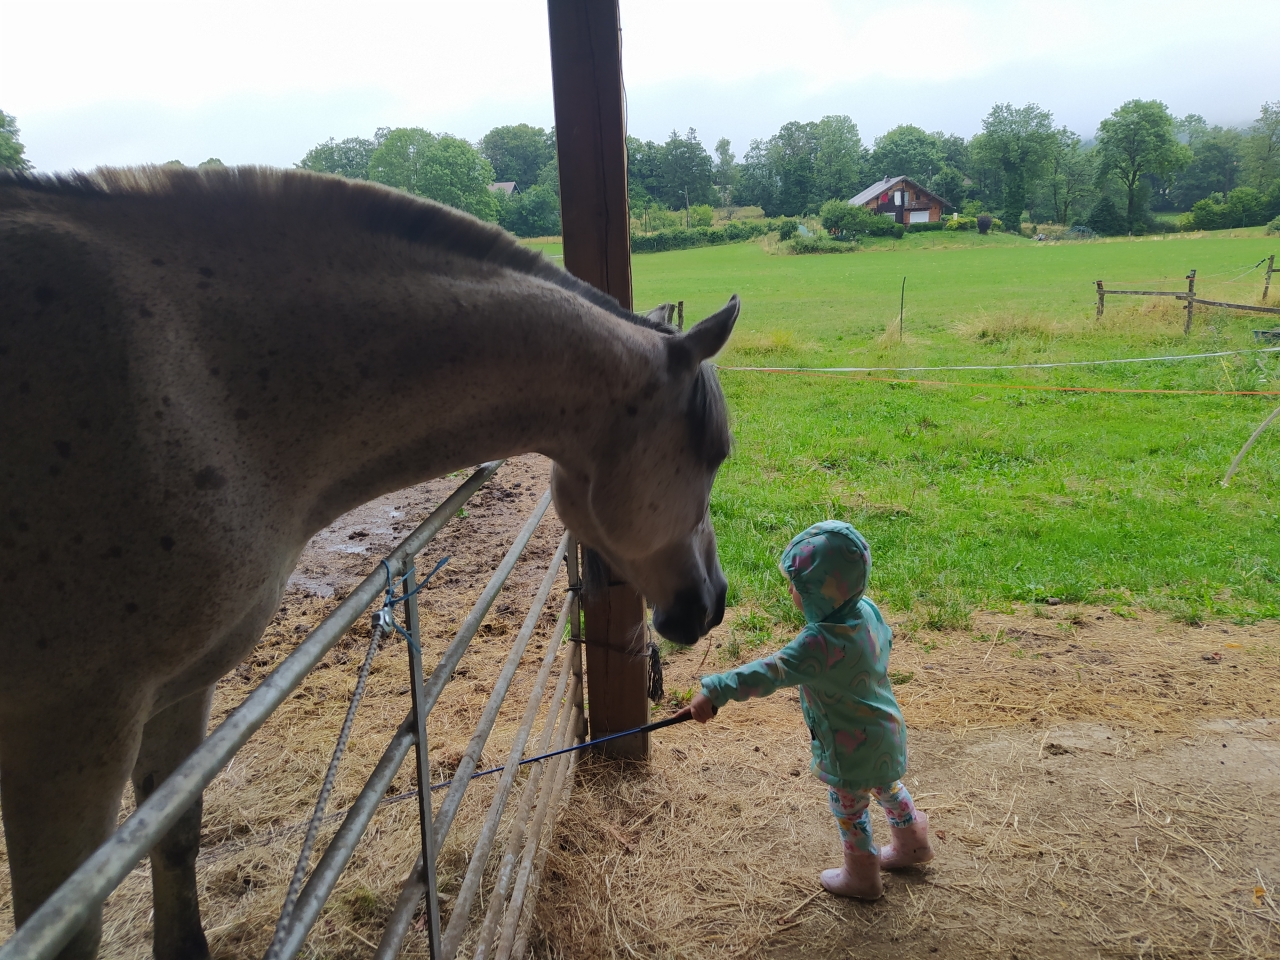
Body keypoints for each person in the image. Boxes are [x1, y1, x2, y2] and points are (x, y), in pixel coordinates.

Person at [679, 520, 932, 899]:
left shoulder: (820, 644)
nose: (790, 591)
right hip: (888, 731)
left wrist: (714, 691)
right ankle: (913, 844)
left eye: (798, 586)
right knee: (889, 787)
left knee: (849, 808)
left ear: (822, 593)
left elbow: (768, 672)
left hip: (850, 749)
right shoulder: (867, 611)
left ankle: (862, 876)